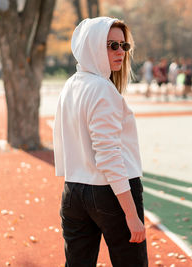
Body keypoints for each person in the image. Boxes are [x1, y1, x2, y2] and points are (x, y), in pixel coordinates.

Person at [53, 17, 148, 267]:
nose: (120, 52)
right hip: (110, 193)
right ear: (92, 46)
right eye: (111, 45)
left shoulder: (70, 86)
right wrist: (131, 214)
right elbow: (107, 154)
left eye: (123, 46)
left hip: (73, 192)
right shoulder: (102, 90)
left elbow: (63, 140)